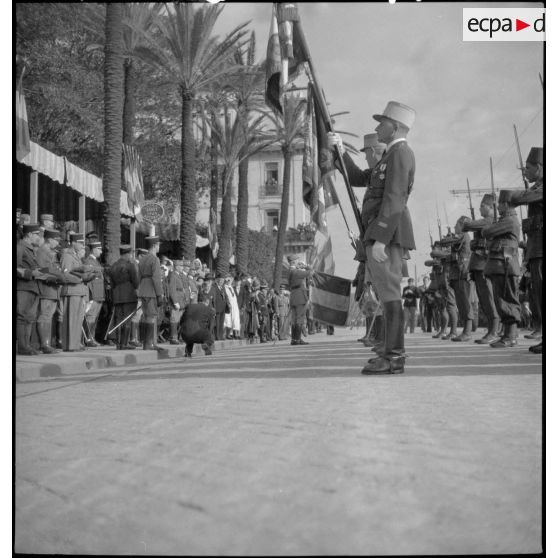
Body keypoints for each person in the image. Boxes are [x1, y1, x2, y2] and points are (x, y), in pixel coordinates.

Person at [328, 101, 416, 374]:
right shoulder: (390, 155)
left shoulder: (401, 153)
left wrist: (379, 239)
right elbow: (359, 177)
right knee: (386, 293)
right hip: (382, 233)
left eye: (382, 122)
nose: (378, 126)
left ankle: (394, 356)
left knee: (389, 294)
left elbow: (394, 198)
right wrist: (339, 151)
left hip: (386, 235)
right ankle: (391, 353)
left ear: (397, 126)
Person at [510, 146, 543, 354]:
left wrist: (528, 190)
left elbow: (517, 199)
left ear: (540, 167)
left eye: (528, 168)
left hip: (542, 249)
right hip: (535, 249)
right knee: (539, 296)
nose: (525, 172)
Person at [481, 190, 522, 348]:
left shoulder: (509, 220)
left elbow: (486, 231)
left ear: (506, 204)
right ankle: (508, 334)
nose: (497, 207)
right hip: (502, 265)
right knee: (502, 299)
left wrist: (491, 225)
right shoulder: (506, 220)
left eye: (500, 204)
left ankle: (510, 336)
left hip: (506, 265)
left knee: (507, 299)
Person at [461, 194, 500, 344]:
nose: (479, 208)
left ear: (491, 207)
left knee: (489, 299)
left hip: (485, 264)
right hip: (478, 265)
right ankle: (492, 330)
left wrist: (468, 222)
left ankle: (494, 330)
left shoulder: (490, 221)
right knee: (484, 300)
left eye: (482, 206)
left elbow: (467, 225)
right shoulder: (484, 222)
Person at [35, 229, 69, 354]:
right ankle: (44, 344)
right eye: (56, 240)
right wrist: (55, 276)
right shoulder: (42, 252)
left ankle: (47, 344)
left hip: (53, 289)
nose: (57, 243)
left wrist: (57, 276)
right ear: (49, 239)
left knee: (48, 317)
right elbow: (40, 270)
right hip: (46, 288)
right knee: (44, 316)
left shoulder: (50, 252)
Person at [60, 233, 91, 351]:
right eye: (80, 243)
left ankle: (75, 343)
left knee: (78, 319)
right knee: (71, 319)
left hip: (78, 290)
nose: (82, 245)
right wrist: (81, 278)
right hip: (71, 290)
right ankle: (70, 345)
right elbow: (65, 274)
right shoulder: (67, 256)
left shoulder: (76, 257)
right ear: (73, 243)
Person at [16, 223, 43, 355]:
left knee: (29, 318)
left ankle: (26, 346)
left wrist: (41, 271)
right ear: (29, 234)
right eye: (37, 235)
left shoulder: (30, 249)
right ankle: (22, 346)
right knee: (22, 317)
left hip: (32, 287)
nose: (38, 237)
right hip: (23, 287)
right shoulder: (20, 247)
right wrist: (30, 273)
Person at [108, 245, 140, 350]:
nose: (131, 256)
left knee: (118, 319)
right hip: (129, 295)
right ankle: (124, 343)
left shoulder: (113, 266)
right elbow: (135, 281)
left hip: (117, 295)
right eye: (130, 254)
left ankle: (119, 344)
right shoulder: (130, 265)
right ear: (127, 254)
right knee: (127, 319)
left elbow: (111, 283)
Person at [138, 236, 163, 350]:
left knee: (146, 316)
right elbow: (156, 278)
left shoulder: (142, 259)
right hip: (151, 290)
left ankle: (146, 343)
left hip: (143, 289)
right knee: (151, 316)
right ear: (154, 246)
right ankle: (149, 343)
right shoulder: (155, 259)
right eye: (158, 245)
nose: (158, 247)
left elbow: (138, 276)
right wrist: (160, 294)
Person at [82, 241, 105, 347]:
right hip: (94, 294)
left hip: (99, 294)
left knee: (94, 317)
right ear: (94, 249)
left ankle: (92, 337)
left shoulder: (96, 261)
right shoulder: (88, 261)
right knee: (90, 317)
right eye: (99, 249)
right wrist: (90, 296)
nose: (101, 252)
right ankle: (88, 339)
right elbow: (88, 280)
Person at [287, 255, 313, 345]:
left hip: (293, 296)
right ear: (293, 262)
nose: (299, 262)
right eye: (297, 261)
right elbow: (310, 272)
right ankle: (297, 339)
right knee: (300, 318)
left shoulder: (290, 271)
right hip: (299, 297)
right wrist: (307, 266)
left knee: (294, 319)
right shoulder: (296, 272)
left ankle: (294, 340)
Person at [167, 259, 188, 345]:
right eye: (181, 266)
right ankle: (173, 337)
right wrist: (175, 301)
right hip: (177, 300)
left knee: (179, 320)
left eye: (182, 266)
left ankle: (178, 337)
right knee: (174, 319)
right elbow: (172, 289)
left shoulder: (180, 275)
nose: (182, 267)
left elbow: (184, 288)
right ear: (176, 267)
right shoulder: (173, 275)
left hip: (181, 299)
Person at [211, 274, 228, 340]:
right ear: (217, 280)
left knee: (221, 322)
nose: (222, 281)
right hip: (217, 307)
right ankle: (217, 336)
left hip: (223, 307)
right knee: (217, 323)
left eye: (223, 280)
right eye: (220, 280)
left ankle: (221, 335)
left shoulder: (222, 287)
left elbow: (225, 296)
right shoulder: (214, 287)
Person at [223, 273, 240, 339]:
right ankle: (228, 334)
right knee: (228, 321)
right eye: (228, 280)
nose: (229, 281)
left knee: (235, 320)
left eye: (230, 279)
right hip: (229, 306)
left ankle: (234, 333)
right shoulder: (224, 287)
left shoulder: (231, 288)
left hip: (234, 306)